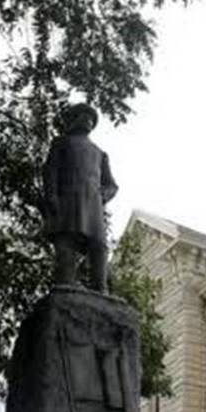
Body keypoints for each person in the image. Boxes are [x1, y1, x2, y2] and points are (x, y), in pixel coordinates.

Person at [41, 103, 118, 291]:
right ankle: (65, 284)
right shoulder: (61, 143)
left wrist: (102, 196)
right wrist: (51, 195)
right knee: (67, 243)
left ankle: (100, 288)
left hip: (93, 205)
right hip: (67, 200)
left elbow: (112, 185)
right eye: (81, 115)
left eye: (90, 117)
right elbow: (50, 170)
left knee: (99, 246)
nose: (87, 120)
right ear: (72, 120)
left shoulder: (100, 154)